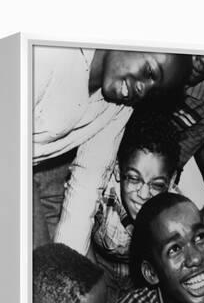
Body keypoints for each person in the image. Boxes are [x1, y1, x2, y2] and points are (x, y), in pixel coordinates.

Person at [33, 46, 192, 252]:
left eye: (153, 91)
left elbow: (86, 186)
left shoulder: (119, 108)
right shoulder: (52, 54)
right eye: (150, 72)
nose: (143, 90)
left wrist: (67, 268)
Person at [91, 112, 180, 303]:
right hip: (97, 266)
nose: (143, 194)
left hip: (140, 279)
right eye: (133, 178)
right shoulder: (99, 192)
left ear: (171, 182)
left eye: (156, 185)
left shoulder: (175, 212)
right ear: (117, 170)